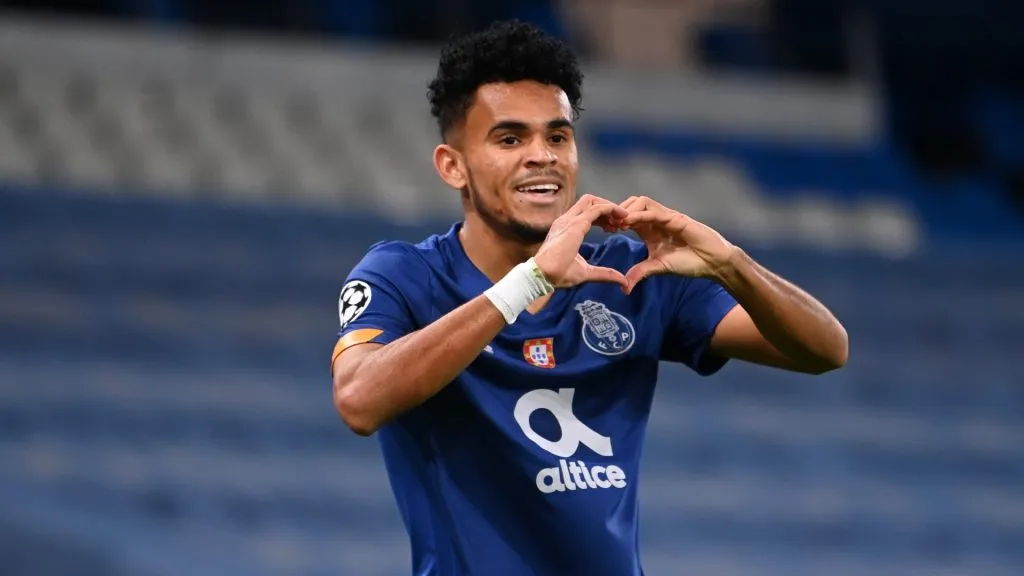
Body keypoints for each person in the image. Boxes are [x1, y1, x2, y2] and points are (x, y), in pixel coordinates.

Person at [331, 20, 848, 576]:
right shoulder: (403, 275)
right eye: (510, 139)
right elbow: (359, 400)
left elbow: (824, 350)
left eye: (558, 136)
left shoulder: (632, 273)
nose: (542, 156)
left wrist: (730, 263)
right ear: (452, 165)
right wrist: (531, 281)